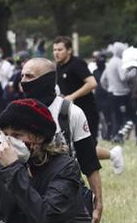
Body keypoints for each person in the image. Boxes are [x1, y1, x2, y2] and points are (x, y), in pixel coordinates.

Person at [20, 58, 106, 223]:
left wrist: (98, 201)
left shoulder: (71, 113)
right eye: (22, 76)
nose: (23, 81)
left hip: (64, 194)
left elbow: (88, 160)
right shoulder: (17, 112)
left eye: (29, 76)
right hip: (27, 193)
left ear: (46, 80)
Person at [52, 38, 124, 173]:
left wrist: (72, 96)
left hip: (86, 112)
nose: (56, 53)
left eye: (60, 50)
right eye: (54, 50)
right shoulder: (59, 67)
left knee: (86, 148)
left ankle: (113, 155)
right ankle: (113, 155)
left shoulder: (77, 63)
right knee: (75, 148)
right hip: (68, 113)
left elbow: (92, 83)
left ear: (69, 50)